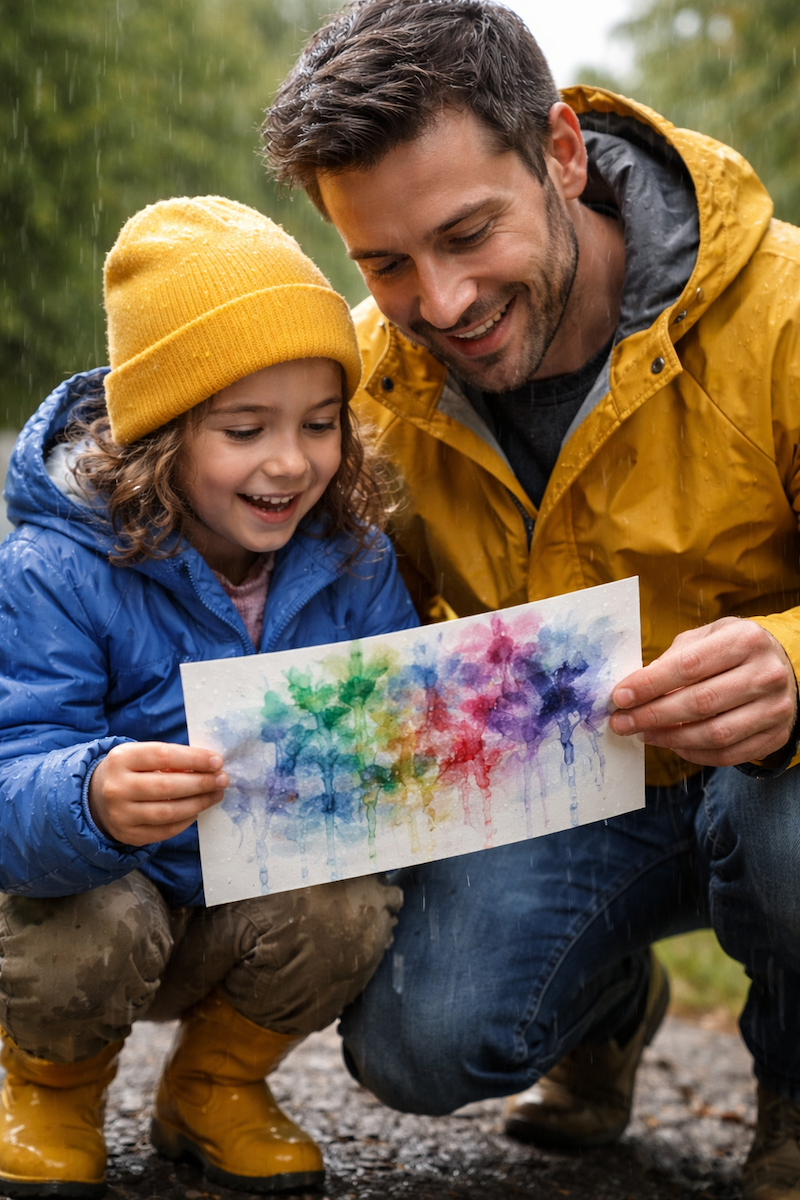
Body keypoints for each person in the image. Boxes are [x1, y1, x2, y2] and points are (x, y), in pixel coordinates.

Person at [264, 3, 800, 1196]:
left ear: (559, 151)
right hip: (570, 800)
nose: (442, 302)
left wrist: (788, 666)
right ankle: (608, 1005)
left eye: (466, 234)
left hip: (775, 783)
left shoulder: (784, 313)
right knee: (418, 1043)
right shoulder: (360, 393)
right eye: (386, 263)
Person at [0, 195, 418, 1198]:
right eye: (244, 429)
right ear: (158, 435)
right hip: (103, 896)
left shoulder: (354, 561)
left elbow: (401, 726)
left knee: (351, 903)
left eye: (320, 425)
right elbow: (10, 781)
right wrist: (89, 796)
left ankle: (215, 1084)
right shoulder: (54, 568)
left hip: (251, 898)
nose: (289, 461)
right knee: (83, 919)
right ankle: (51, 1088)